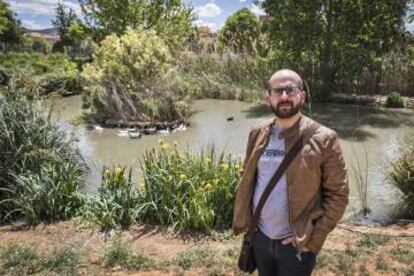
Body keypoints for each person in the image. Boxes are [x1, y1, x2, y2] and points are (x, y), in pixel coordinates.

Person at [233, 69, 349, 275]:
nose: (284, 97)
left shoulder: (324, 138)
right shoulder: (257, 133)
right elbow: (247, 177)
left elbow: (338, 194)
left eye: (291, 90)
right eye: (277, 91)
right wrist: (248, 221)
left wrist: (313, 238)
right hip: (260, 237)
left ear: (302, 96)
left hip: (296, 245)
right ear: (267, 97)